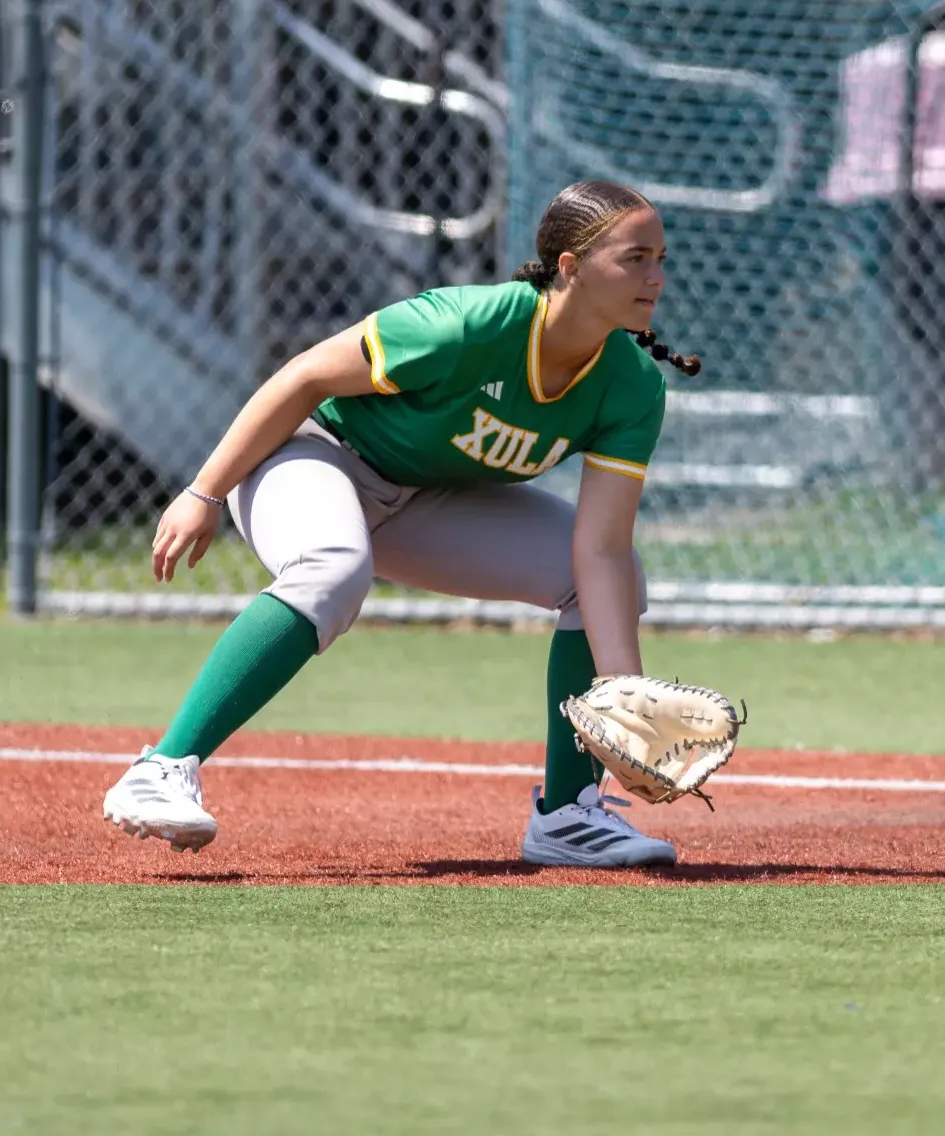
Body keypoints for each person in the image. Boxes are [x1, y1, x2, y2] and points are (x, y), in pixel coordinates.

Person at [101, 179, 701, 868]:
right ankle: (162, 768)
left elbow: (598, 549)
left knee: (612, 577)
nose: (654, 277)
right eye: (635, 258)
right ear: (569, 267)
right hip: (314, 458)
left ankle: (568, 818)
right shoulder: (469, 325)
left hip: (424, 498)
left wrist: (625, 700)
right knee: (332, 566)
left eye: (660, 259)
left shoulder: (630, 385)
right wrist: (204, 494)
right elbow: (302, 378)